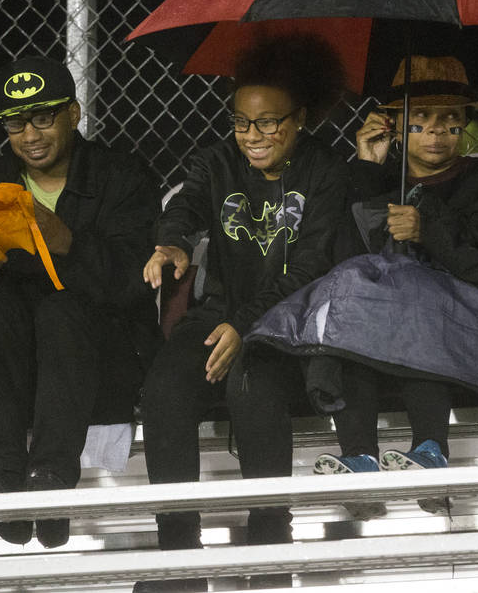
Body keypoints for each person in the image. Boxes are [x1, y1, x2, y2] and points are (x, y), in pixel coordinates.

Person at [248, 56, 478, 512]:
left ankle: (430, 449)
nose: (437, 131)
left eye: (450, 120)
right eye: (421, 119)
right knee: (359, 313)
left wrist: (431, 230)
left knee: (413, 307)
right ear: (397, 124)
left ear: (465, 123)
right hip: (385, 327)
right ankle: (360, 457)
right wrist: (367, 169)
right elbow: (341, 268)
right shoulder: (380, 180)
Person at [137, 34, 350, 592]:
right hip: (221, 314)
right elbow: (183, 204)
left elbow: (308, 268)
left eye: (268, 123)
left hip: (293, 324)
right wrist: (174, 241)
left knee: (251, 385)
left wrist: (247, 324)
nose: (252, 136)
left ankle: (269, 542)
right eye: (241, 122)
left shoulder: (325, 173)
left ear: (300, 118)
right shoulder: (219, 161)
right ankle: (179, 559)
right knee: (163, 390)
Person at [0, 55, 160, 549]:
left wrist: (66, 242)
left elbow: (136, 285)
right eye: (15, 122)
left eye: (43, 117)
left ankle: (49, 477)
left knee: (62, 309)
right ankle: (0, 469)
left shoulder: (122, 175)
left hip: (102, 361)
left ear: (73, 113)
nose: (30, 135)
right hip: (18, 365)